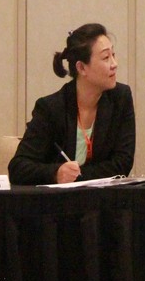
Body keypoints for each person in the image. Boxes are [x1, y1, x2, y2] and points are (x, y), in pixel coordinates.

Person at [8, 23, 136, 184]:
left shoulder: (120, 98)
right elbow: (18, 168)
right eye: (106, 58)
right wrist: (56, 173)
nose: (114, 64)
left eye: (113, 55)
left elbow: (123, 163)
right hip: (60, 199)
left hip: (104, 198)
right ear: (81, 68)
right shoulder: (51, 108)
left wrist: (78, 177)